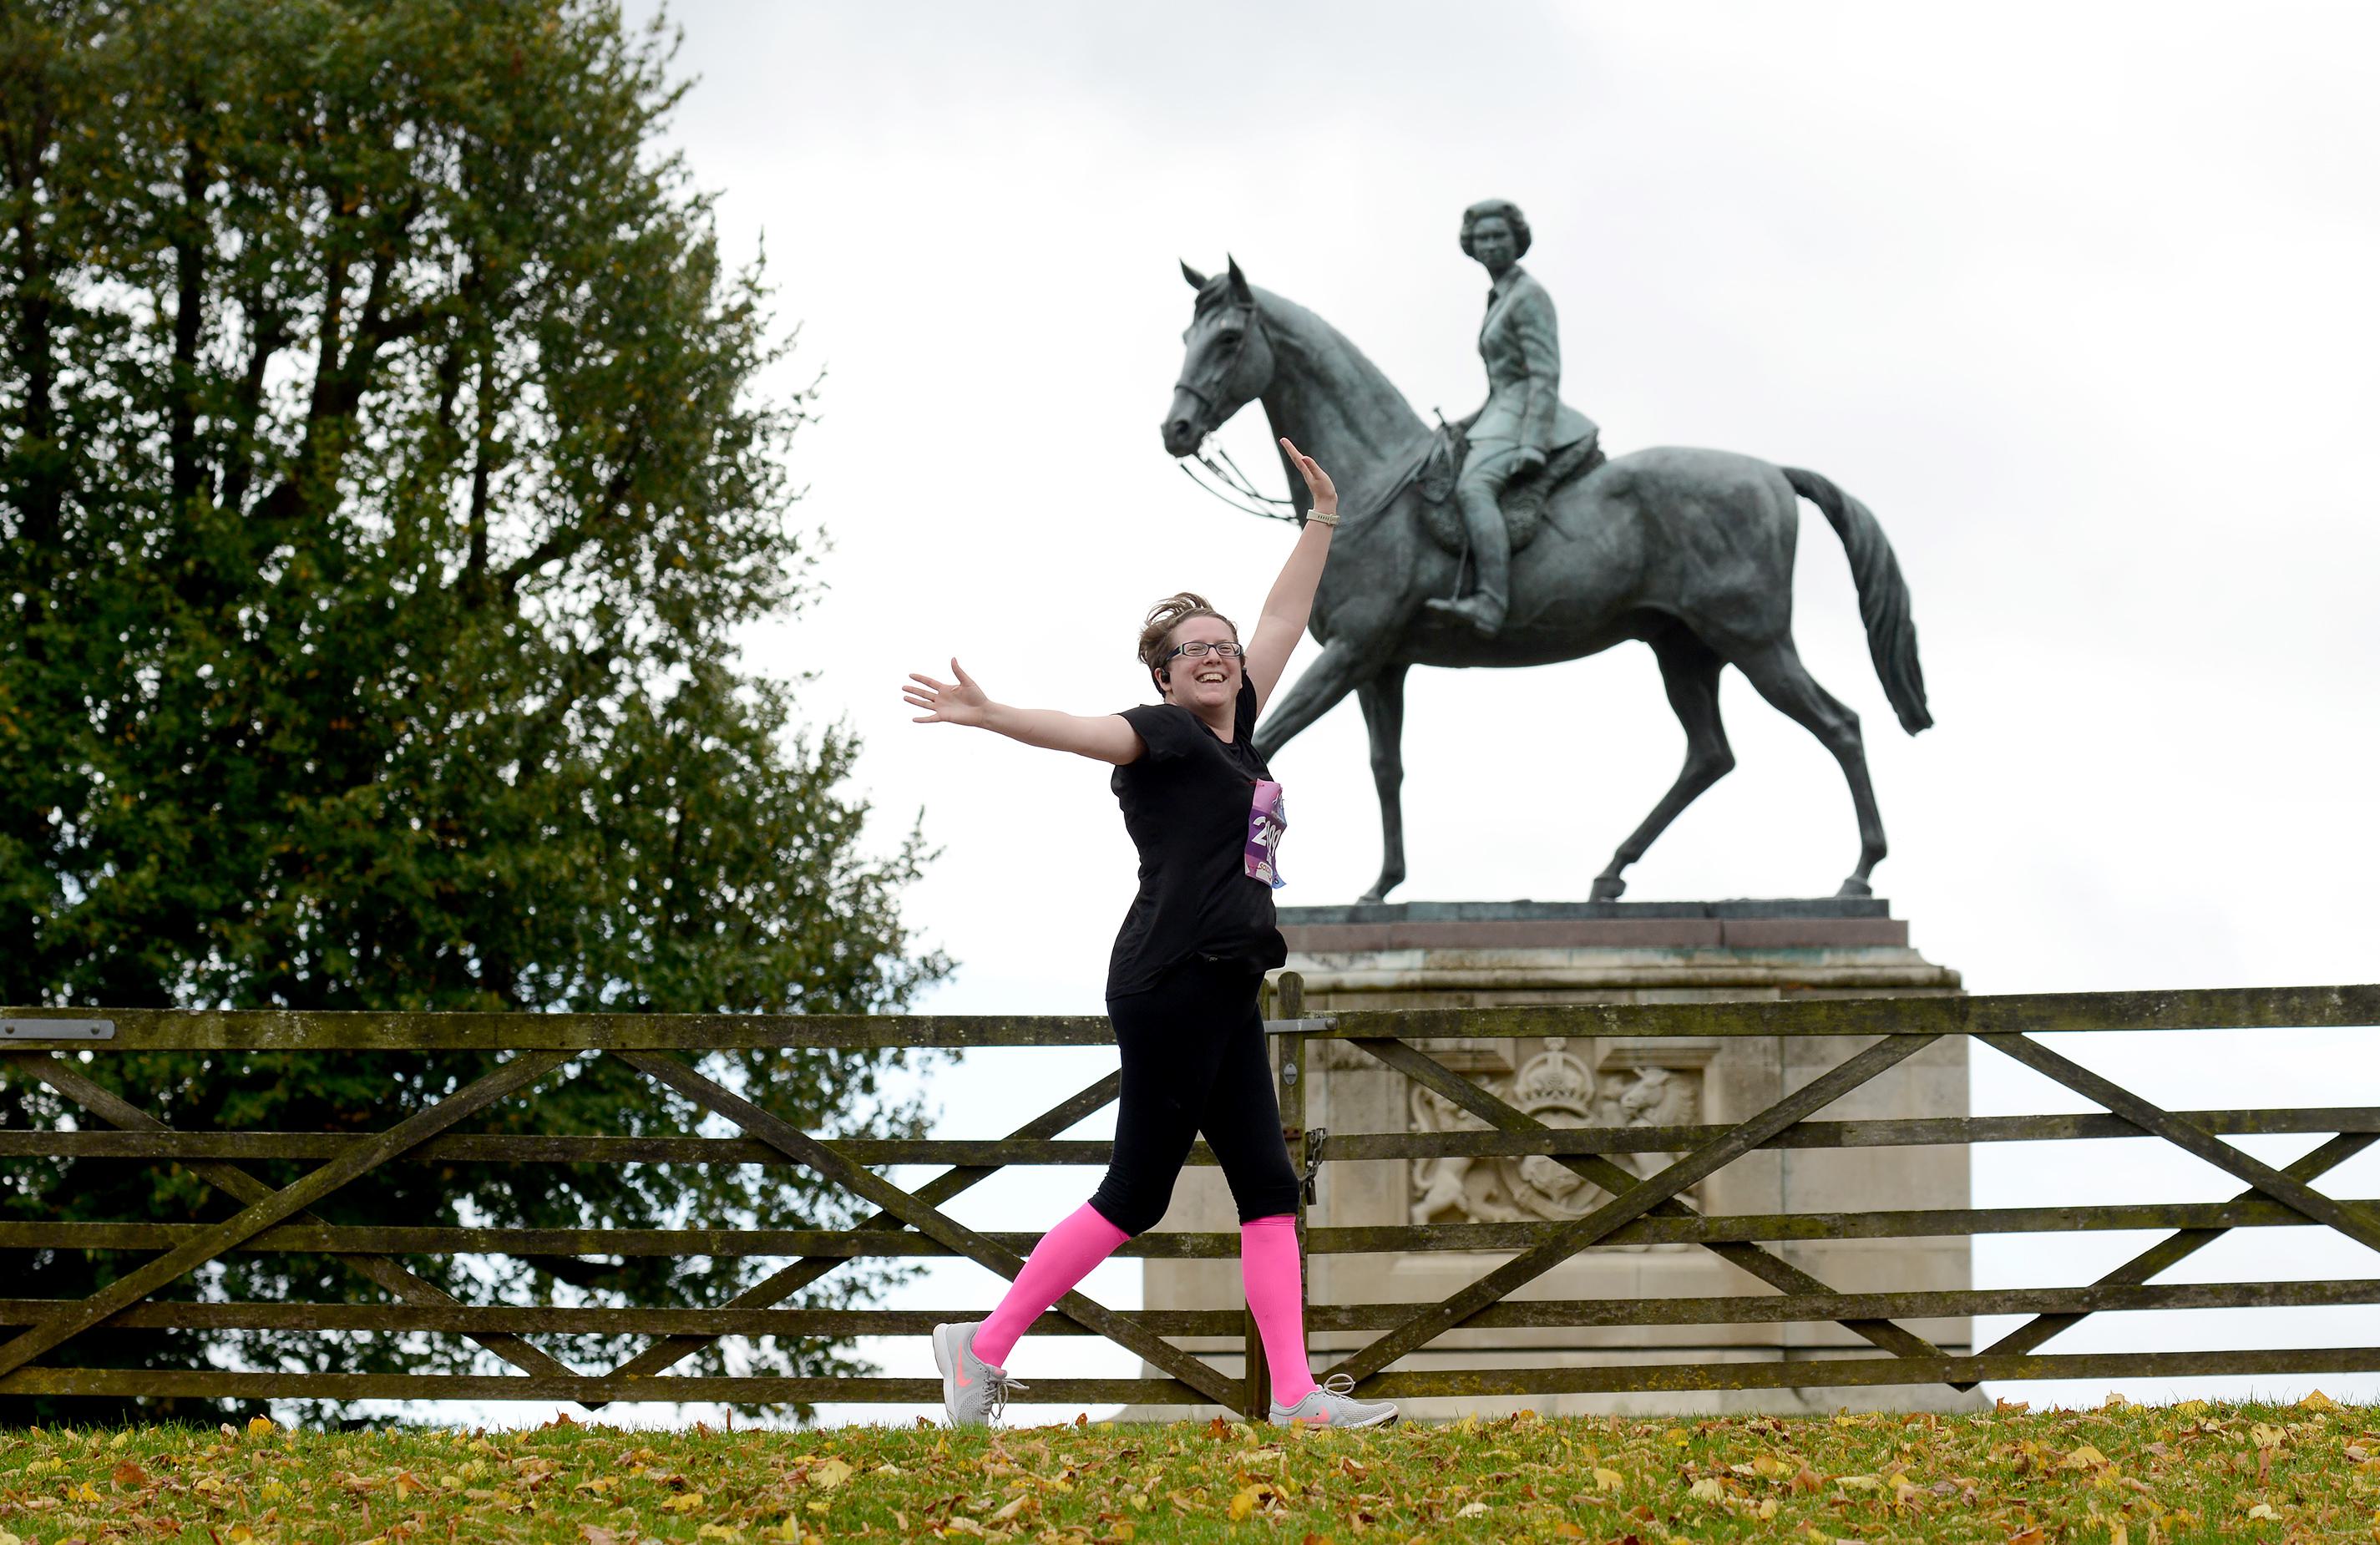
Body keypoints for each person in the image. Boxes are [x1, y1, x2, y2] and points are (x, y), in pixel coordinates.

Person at [903, 437, 1398, 1432]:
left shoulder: (1237, 730)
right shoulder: (1166, 735)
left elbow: (1282, 618)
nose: (1216, 654)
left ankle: (1296, 1396)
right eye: (1191, 651)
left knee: (1265, 1185)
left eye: (1221, 645)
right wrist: (994, 714)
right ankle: (982, 1345)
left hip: (1225, 983)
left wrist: (1323, 519)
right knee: (1137, 1192)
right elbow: (1087, 729)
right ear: (1165, 680)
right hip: (1170, 978)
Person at [1425, 197, 1598, 638]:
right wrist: (1462, 426)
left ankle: (1490, 602)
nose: (1491, 245)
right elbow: (1499, 387)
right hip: (1502, 413)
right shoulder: (1499, 298)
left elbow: (1544, 373)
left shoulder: (1529, 295)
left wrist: (1533, 442)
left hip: (1532, 419)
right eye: (1482, 237)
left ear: (1516, 241)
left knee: (1475, 488)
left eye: (1499, 236)